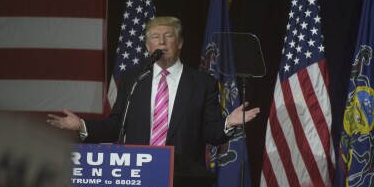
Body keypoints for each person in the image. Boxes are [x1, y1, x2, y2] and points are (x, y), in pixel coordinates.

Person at [47, 16, 260, 165]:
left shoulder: (202, 83)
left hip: (181, 180)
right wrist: (81, 125)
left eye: (168, 36)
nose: (161, 41)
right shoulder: (134, 78)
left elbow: (209, 133)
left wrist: (228, 123)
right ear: (148, 46)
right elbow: (116, 126)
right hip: (137, 175)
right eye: (155, 37)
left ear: (180, 43)